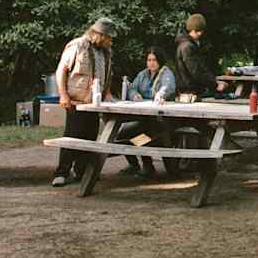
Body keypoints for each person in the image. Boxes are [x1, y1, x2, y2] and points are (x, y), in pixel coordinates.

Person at [52, 17, 115, 187]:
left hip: (94, 103)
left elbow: (107, 75)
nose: (110, 41)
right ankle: (62, 172)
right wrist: (63, 95)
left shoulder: (105, 52)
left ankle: (82, 171)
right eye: (109, 37)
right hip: (75, 101)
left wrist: (107, 93)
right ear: (100, 35)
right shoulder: (77, 46)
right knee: (72, 135)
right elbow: (61, 71)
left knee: (90, 137)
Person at [117, 47, 177, 177]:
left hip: (162, 121)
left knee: (142, 138)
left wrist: (161, 94)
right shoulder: (143, 74)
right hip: (144, 118)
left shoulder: (166, 73)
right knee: (122, 134)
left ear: (160, 61)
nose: (151, 63)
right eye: (149, 60)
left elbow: (168, 87)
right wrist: (134, 95)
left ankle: (149, 167)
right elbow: (132, 88)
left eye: (154, 60)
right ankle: (134, 165)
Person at [175, 12, 227, 99]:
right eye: (199, 30)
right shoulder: (188, 47)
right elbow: (196, 72)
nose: (200, 34)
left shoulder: (185, 44)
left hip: (189, 91)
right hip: (190, 93)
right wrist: (215, 83)